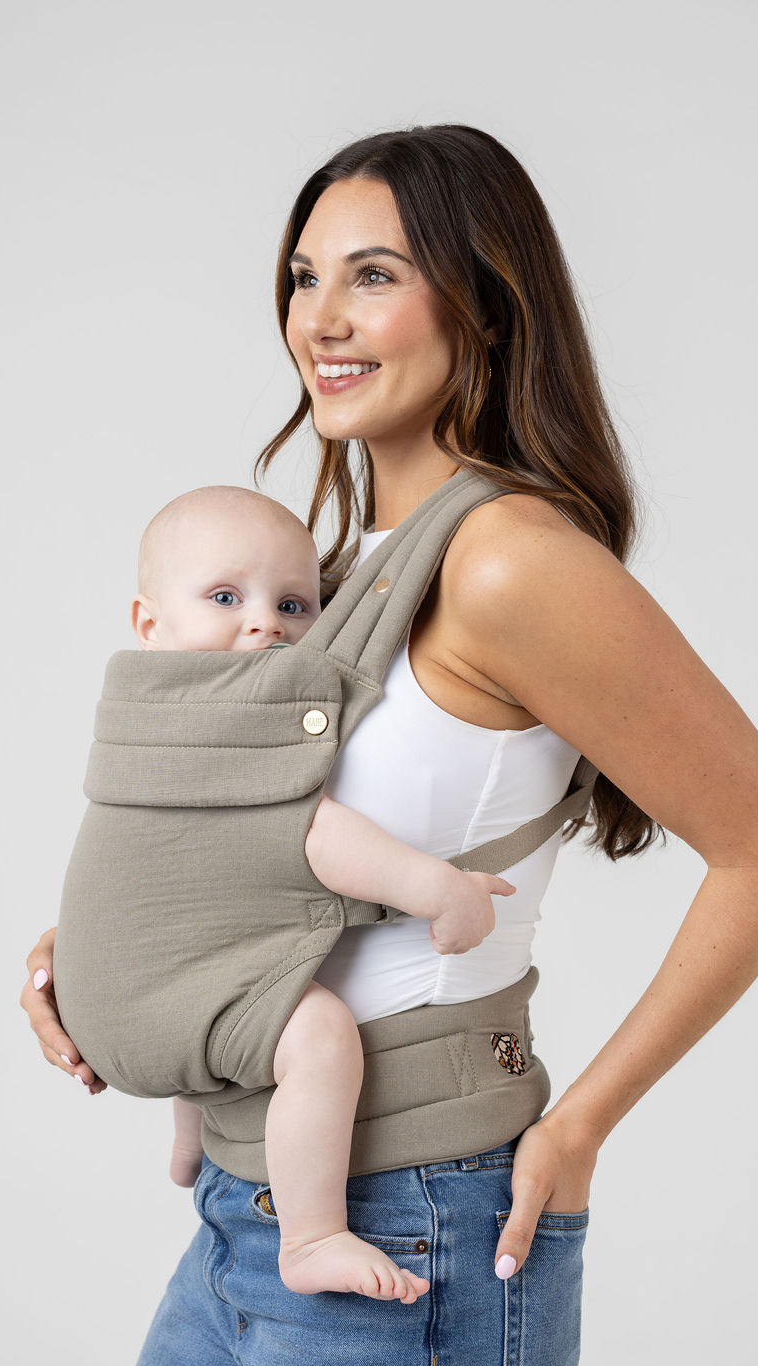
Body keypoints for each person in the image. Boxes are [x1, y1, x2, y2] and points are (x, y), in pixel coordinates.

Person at [21, 124, 758, 1366]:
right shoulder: (325, 579)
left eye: (374, 275)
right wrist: (110, 949)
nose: (321, 319)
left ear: (487, 303)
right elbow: (261, 850)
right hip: (251, 1204)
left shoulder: (508, 560)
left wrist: (575, 1132)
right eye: (301, 275)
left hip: (416, 1213)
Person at [68, 479, 515, 1304]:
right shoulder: (241, 711)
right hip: (171, 1003)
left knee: (228, 961)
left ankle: (188, 1144)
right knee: (314, 1031)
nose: (265, 623)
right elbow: (310, 833)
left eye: (295, 604)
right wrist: (438, 889)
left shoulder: (135, 720)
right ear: (148, 624)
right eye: (226, 597)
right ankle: (312, 1237)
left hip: (99, 995)